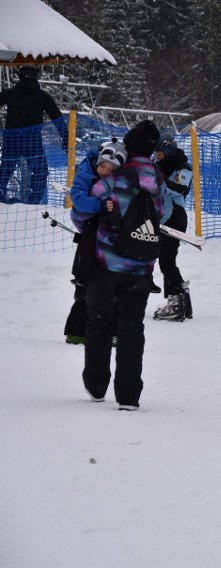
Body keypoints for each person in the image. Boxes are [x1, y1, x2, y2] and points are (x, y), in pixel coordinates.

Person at [70, 119, 165, 410]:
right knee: (132, 329)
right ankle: (128, 395)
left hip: (104, 266)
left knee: (99, 323)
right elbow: (163, 213)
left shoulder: (110, 178)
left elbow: (80, 217)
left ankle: (96, 385)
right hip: (140, 267)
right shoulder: (157, 180)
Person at [64, 139, 128, 344]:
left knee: (110, 285)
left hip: (106, 233)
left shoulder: (116, 180)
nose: (104, 171)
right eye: (103, 166)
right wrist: (100, 205)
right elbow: (79, 200)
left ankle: (111, 331)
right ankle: (76, 331)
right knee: (86, 282)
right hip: (91, 229)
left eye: (110, 169)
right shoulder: (86, 172)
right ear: (97, 162)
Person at [0, 65, 68, 204]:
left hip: (12, 139)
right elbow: (56, 117)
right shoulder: (43, 97)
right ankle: (34, 199)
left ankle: (1, 195)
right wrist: (66, 138)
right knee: (40, 171)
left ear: (20, 77)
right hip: (32, 141)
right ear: (37, 78)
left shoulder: (10, 93)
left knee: (6, 170)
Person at [152, 134, 193, 321]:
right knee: (165, 260)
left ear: (168, 150)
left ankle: (176, 304)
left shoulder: (183, 167)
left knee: (166, 261)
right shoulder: (160, 166)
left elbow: (180, 189)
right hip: (163, 217)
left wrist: (159, 178)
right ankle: (181, 299)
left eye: (160, 153)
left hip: (175, 217)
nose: (157, 157)